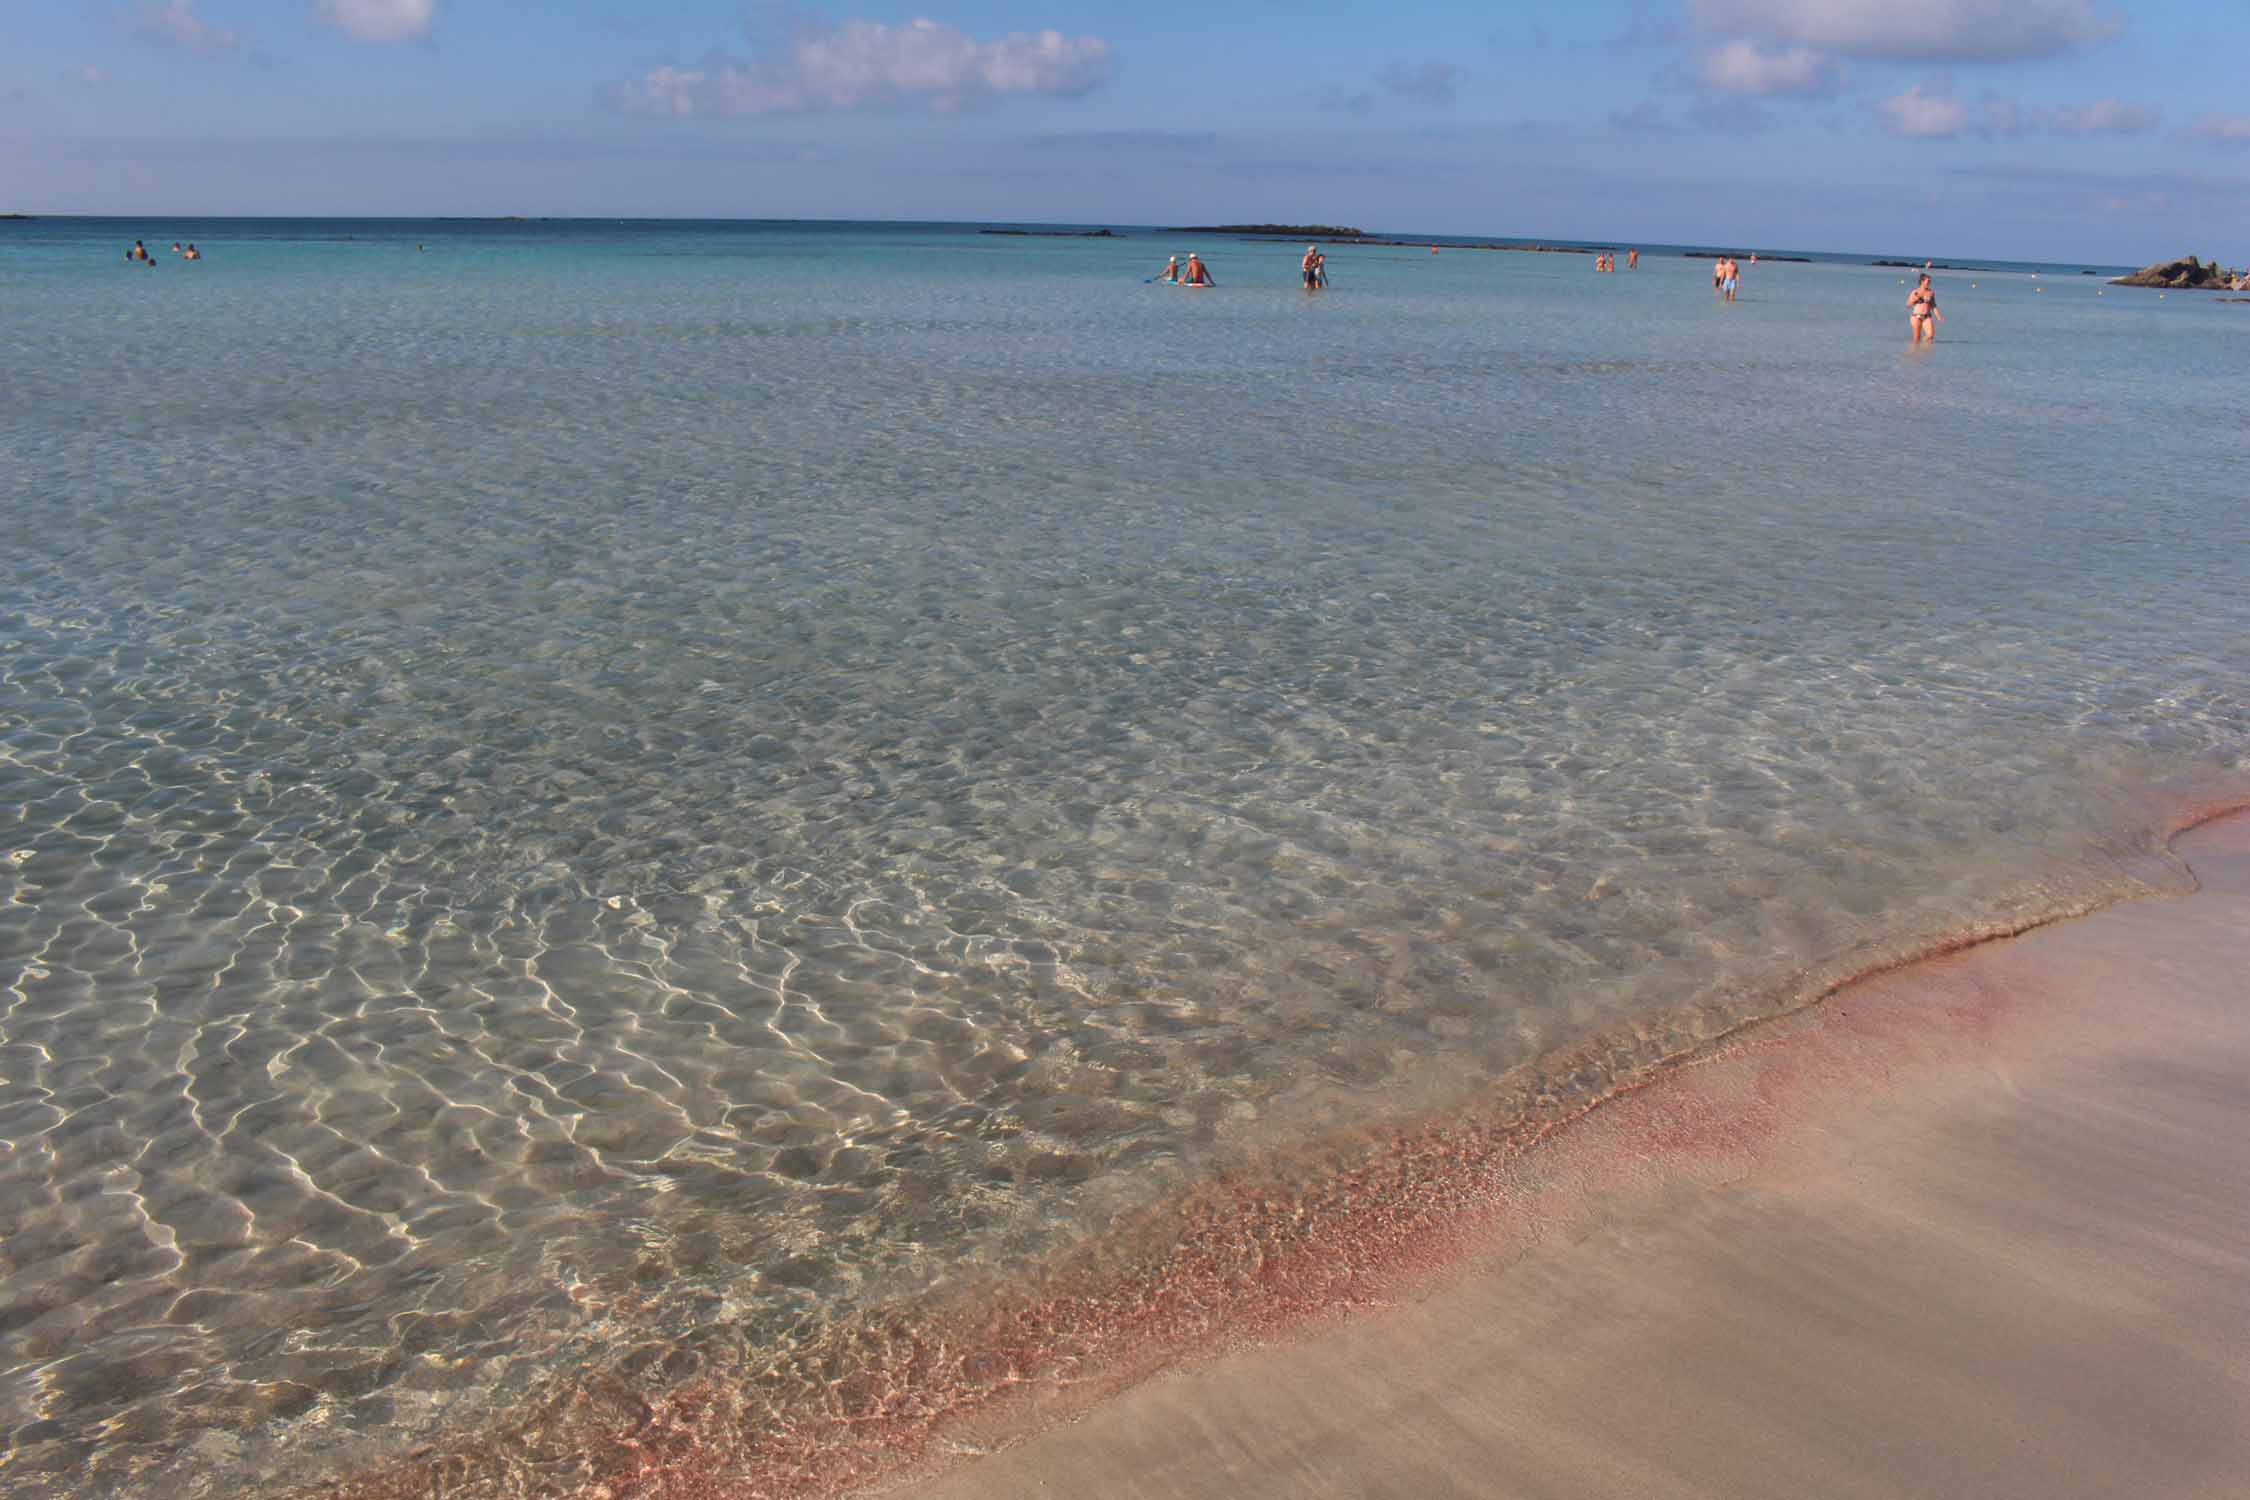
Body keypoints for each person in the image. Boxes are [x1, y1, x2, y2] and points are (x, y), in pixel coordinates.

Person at [1908, 273, 1942, 343]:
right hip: (1916, 316)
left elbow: (1933, 305)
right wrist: (1917, 299)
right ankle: (1914, 352)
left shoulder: (1931, 292)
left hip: (1927, 316)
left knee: (1930, 335)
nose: (1929, 282)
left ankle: (1923, 348)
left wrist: (1938, 315)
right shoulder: (1915, 292)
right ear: (1922, 281)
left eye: (1930, 281)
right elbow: (1908, 304)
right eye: (1928, 281)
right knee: (1916, 338)